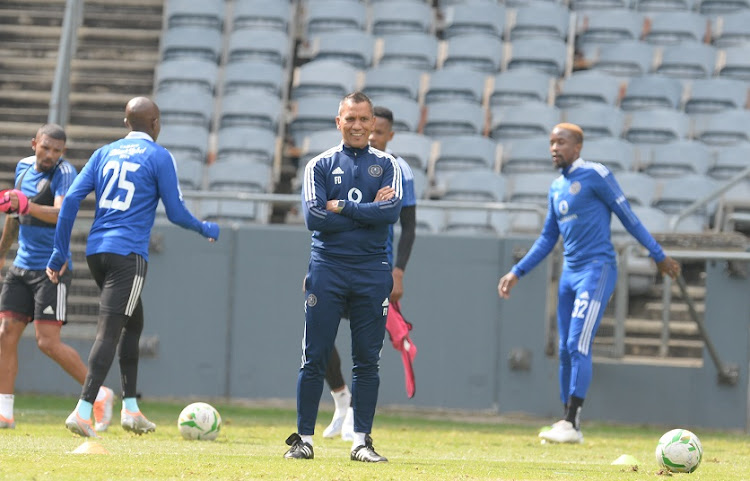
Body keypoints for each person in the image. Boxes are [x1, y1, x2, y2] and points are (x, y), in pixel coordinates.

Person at [45, 97, 220, 438]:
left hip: (97, 253)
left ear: (126, 123)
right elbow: (175, 212)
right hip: (129, 256)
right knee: (110, 330)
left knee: (132, 323)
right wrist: (204, 228)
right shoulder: (159, 156)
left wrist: (58, 253)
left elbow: (69, 205)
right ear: (156, 123)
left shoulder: (104, 153)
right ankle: (83, 411)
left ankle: (131, 410)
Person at [497, 123, 681, 444]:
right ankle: (569, 422)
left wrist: (658, 254)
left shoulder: (596, 175)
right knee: (566, 350)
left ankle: (571, 421)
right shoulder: (556, 187)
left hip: (597, 270)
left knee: (578, 344)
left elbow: (628, 217)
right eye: (551, 142)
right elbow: (547, 238)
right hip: (569, 274)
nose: (555, 148)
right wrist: (517, 271)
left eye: (562, 142)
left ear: (578, 147)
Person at [284, 92, 402, 462]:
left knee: (367, 360)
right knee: (313, 356)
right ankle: (304, 439)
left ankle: (361, 442)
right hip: (328, 269)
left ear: (373, 124)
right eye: (349, 119)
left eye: (363, 119)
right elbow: (313, 219)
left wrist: (345, 207)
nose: (356, 126)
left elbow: (391, 213)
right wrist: (369, 210)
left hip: (372, 271)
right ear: (338, 122)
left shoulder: (388, 165)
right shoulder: (318, 165)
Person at [0, 124, 114, 431]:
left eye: (57, 150)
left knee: (47, 343)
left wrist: (26, 204)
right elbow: (15, 216)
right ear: (34, 143)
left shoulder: (66, 173)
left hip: (52, 268)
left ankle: (100, 394)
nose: (50, 154)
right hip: (21, 266)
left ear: (62, 152)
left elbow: (62, 214)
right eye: (45, 147)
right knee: (5, 333)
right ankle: (4, 412)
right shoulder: (23, 167)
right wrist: (1, 252)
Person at [321, 106, 417, 442]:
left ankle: (355, 420)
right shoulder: (337, 163)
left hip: (374, 270)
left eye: (377, 130)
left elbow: (409, 227)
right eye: (364, 128)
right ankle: (340, 399)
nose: (371, 136)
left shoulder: (398, 170)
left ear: (387, 133)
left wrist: (399, 271)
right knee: (316, 340)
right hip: (333, 265)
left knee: (368, 350)